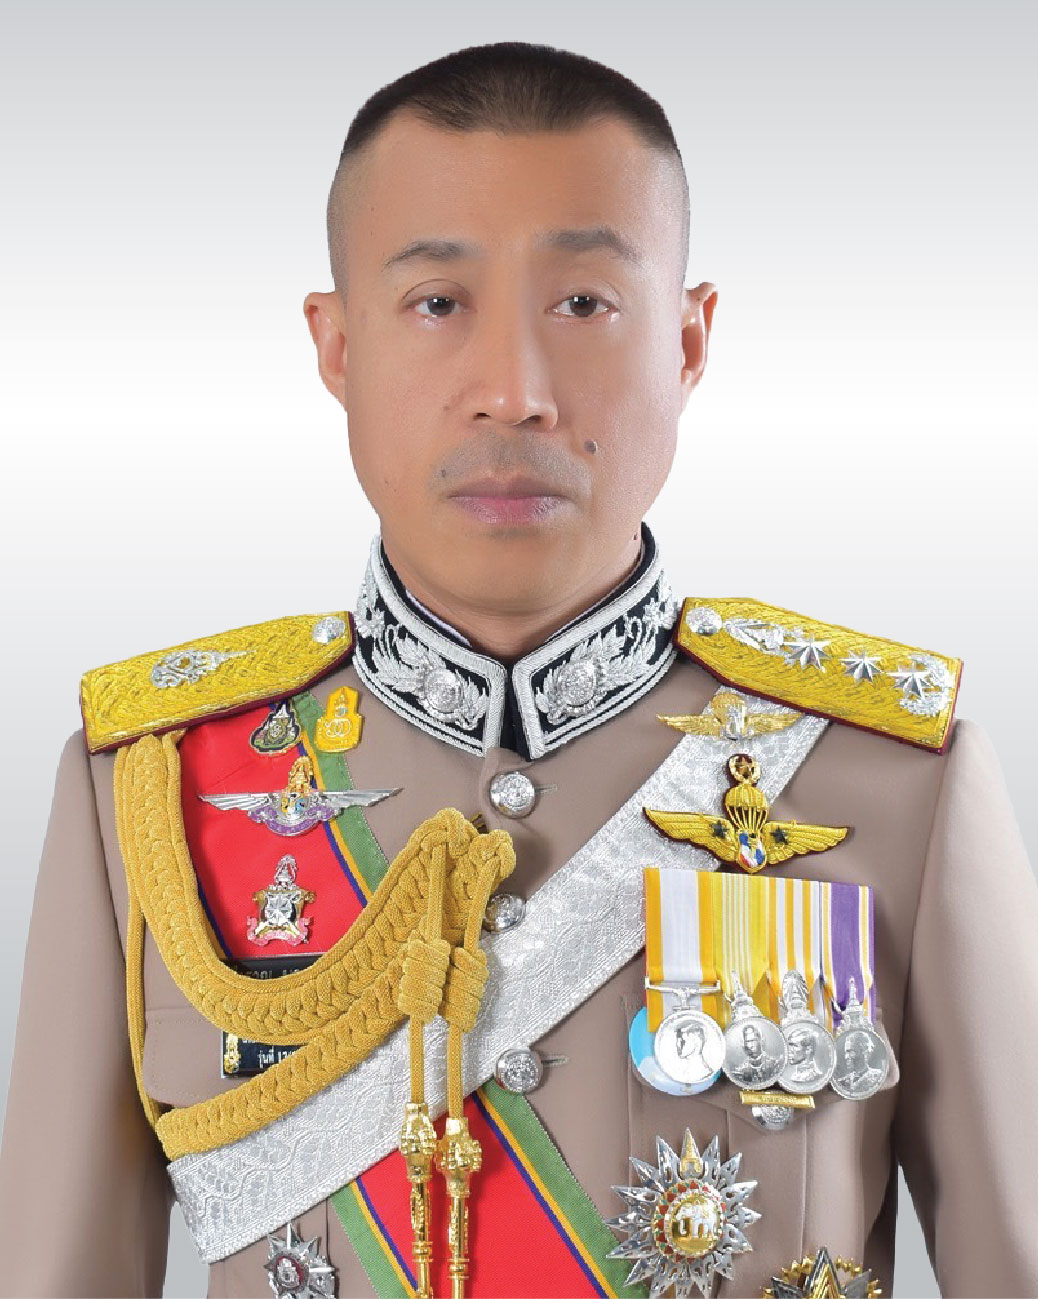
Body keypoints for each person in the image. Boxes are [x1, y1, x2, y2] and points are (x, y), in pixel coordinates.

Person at [1, 38, 1036, 1299]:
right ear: (338, 348)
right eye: (438, 304)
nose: (514, 393)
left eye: (584, 305)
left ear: (689, 342)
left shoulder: (895, 781)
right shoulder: (152, 791)